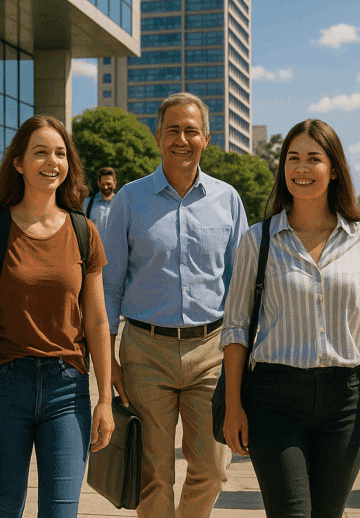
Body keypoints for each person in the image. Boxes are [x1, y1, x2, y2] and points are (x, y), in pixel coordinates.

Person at [220, 119, 360, 518]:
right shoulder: (257, 240)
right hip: (274, 401)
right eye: (293, 158)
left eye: (313, 159)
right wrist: (233, 405)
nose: (301, 168)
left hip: (344, 403)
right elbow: (235, 330)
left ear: (334, 169)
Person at [102, 92, 248, 518]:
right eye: (172, 131)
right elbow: (109, 286)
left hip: (212, 352)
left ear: (206, 138)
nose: (181, 140)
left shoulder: (228, 199)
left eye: (191, 131)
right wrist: (108, 361)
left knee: (214, 469)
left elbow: (241, 286)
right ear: (157, 136)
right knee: (153, 474)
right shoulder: (129, 199)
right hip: (145, 351)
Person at [0, 115, 115, 518]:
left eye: (60, 153)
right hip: (1, 386)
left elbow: (97, 321)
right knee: (1, 510)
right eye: (41, 152)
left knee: (61, 512)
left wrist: (105, 400)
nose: (52, 161)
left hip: (67, 390)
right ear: (18, 162)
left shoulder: (84, 231)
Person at [82, 166, 116, 233]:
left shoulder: (121, 204)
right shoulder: (87, 203)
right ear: (98, 183)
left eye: (108, 184)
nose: (105, 187)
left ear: (114, 183)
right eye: (103, 184)